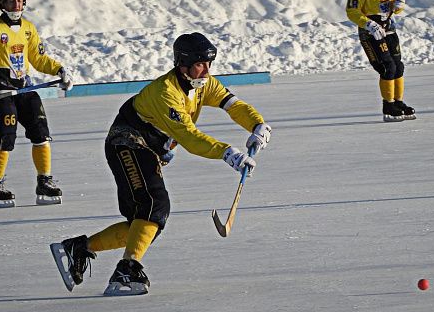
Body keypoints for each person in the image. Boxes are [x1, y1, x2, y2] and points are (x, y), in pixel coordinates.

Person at [50, 32, 271, 296]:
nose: (207, 70)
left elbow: (234, 106)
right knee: (155, 205)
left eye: (209, 64)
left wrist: (257, 124)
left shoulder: (204, 83)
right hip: (127, 143)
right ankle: (126, 271)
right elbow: (189, 137)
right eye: (201, 64)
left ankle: (78, 248)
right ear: (183, 65)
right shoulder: (167, 92)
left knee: (146, 222)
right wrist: (228, 153)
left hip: (146, 149)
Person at [0, 0, 74, 208]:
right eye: (11, 0)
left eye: (19, 0)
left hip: (23, 87)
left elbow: (38, 58)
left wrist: (59, 69)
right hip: (0, 89)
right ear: (2, 3)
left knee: (41, 133)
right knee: (5, 138)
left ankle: (44, 182)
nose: (16, 4)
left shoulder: (28, 28)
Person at [346, 0, 417, 122]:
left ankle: (398, 103)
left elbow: (395, 7)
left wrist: (399, 5)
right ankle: (388, 105)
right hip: (371, 32)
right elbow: (351, 11)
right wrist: (369, 24)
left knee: (398, 66)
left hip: (389, 27)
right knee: (387, 67)